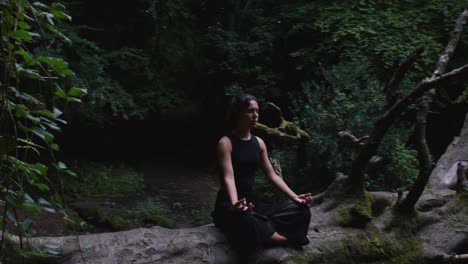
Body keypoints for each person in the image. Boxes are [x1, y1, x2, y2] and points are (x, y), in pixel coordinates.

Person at [212, 94, 312, 254]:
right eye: (250, 111)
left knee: (302, 210)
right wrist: (235, 203)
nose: (255, 115)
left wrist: (295, 197)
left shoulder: (259, 143)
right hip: (230, 206)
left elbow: (272, 176)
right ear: (239, 113)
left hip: (253, 204)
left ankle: (266, 234)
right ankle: (287, 239)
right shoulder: (226, 142)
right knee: (246, 219)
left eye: (257, 111)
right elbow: (228, 177)